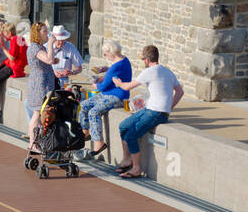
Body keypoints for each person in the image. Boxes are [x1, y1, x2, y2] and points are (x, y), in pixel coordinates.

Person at [113, 46, 183, 180]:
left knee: (131, 136)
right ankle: (127, 159)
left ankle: (136, 169)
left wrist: (118, 83)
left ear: (146, 60)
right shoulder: (167, 71)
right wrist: (169, 107)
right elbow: (180, 92)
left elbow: (127, 87)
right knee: (123, 126)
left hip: (156, 112)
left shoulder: (149, 72)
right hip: (152, 109)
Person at [78, 39, 132, 162]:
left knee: (94, 112)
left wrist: (96, 85)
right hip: (108, 94)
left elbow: (104, 85)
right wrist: (106, 69)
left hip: (116, 96)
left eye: (105, 53)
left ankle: (99, 142)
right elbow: (115, 73)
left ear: (111, 52)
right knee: (84, 105)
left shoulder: (116, 67)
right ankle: (85, 131)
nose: (104, 55)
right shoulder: (124, 60)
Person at [25, 22, 56, 149]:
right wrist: (50, 44)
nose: (47, 33)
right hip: (39, 85)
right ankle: (33, 143)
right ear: (37, 33)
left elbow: (49, 60)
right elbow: (49, 60)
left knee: (40, 113)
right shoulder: (35, 47)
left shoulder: (39, 47)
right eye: (44, 31)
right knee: (37, 113)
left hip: (44, 83)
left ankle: (37, 142)